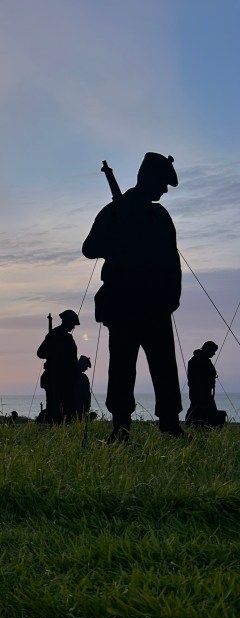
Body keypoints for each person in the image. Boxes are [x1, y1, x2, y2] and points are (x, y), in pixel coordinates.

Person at [83, 153, 185, 442]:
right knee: (122, 369)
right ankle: (121, 427)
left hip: (156, 305)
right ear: (147, 178)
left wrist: (171, 300)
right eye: (163, 183)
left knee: (165, 367)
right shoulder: (115, 211)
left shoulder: (159, 216)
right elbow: (90, 248)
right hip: (124, 304)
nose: (164, 190)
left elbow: (171, 260)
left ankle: (171, 425)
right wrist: (118, 235)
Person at [36, 310, 81, 424]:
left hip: (66, 379)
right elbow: (40, 353)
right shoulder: (54, 335)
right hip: (54, 378)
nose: (73, 327)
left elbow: (73, 361)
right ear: (67, 322)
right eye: (72, 324)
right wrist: (53, 353)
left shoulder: (67, 338)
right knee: (54, 408)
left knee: (67, 409)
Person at [185, 341, 227, 428]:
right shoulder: (197, 361)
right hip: (200, 394)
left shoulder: (202, 360)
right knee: (201, 414)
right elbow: (195, 379)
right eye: (213, 351)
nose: (214, 353)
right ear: (208, 350)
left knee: (199, 413)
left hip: (203, 393)